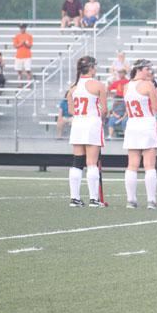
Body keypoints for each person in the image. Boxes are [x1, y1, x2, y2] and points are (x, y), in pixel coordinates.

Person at [67, 56, 107, 207]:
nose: (95, 69)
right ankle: (93, 199)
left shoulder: (73, 88)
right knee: (91, 163)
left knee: (77, 162)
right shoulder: (98, 85)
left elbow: (71, 110)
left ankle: (75, 198)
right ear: (90, 68)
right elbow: (105, 110)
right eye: (94, 67)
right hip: (92, 123)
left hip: (77, 124)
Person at [123, 59, 157, 209]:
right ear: (139, 69)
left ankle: (131, 200)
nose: (150, 72)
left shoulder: (127, 86)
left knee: (132, 164)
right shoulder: (147, 85)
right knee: (149, 165)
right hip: (146, 124)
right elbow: (156, 107)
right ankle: (151, 200)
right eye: (147, 69)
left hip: (132, 124)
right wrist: (156, 93)